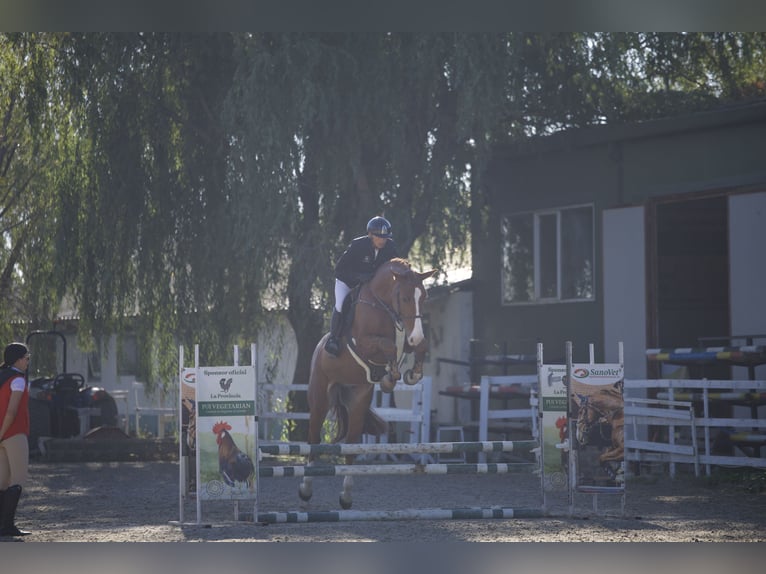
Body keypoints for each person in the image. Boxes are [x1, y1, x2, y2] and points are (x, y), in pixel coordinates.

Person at [324, 216, 399, 356]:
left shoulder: (390, 246)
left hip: (370, 285)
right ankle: (333, 339)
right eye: (379, 237)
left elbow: (395, 266)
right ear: (370, 235)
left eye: (385, 237)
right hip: (347, 282)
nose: (383, 240)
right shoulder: (358, 245)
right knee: (341, 305)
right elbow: (339, 270)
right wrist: (358, 276)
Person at [0, 342, 32, 537]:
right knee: (18, 479)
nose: (28, 362)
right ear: (18, 359)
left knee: (2, 481)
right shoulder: (18, 380)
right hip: (13, 433)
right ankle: (8, 525)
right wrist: (3, 432)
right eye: (27, 358)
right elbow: (11, 411)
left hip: (1, 438)